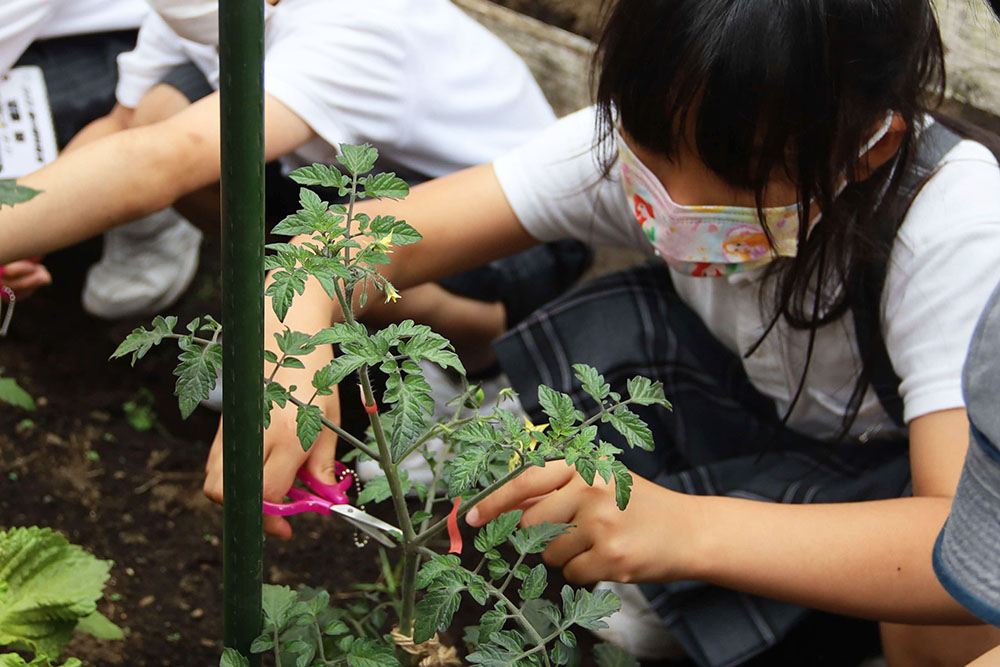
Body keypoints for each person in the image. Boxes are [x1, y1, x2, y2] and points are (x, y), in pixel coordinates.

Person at [206, 0, 1000, 664]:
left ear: (872, 147)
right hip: (734, 409)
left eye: (741, 175)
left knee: (942, 627)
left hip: (893, 489)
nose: (677, 199)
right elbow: (330, 247)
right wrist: (284, 358)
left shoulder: (951, 226)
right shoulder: (634, 142)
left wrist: (681, 531)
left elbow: (967, 539)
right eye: (653, 149)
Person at [0, 0, 559, 325]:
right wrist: (29, 238)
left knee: (321, 249)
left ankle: (473, 358)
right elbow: (124, 127)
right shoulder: (202, 12)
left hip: (515, 229)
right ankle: (288, 333)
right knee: (163, 116)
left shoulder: (352, 28)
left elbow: (161, 161)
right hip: (351, 170)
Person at [0, 0, 152, 301]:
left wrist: (20, 235)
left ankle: (153, 209)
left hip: (116, 28)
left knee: (25, 135)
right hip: (23, 31)